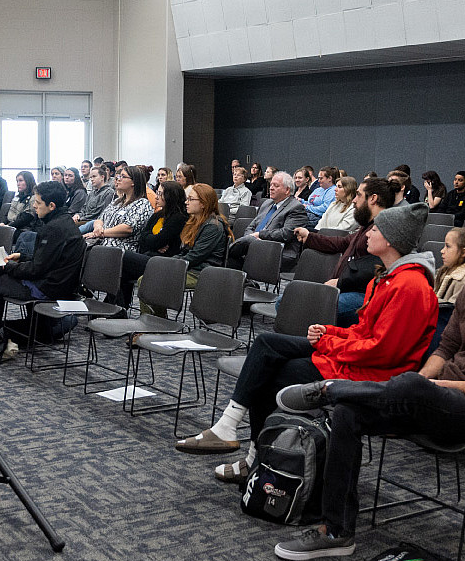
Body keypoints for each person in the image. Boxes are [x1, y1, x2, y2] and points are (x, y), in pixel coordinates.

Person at [269, 200, 465, 560]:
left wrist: (432, 388)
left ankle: (331, 388)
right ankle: (336, 531)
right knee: (348, 411)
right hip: (439, 397)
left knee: (404, 385)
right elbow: (447, 347)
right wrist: (423, 383)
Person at [175, 203, 437, 477]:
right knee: (266, 343)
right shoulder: (385, 279)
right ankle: (230, 431)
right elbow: (364, 333)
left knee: (273, 375)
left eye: (377, 229)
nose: (368, 234)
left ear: (392, 240)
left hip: (373, 374)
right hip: (355, 360)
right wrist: (330, 331)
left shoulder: (410, 286)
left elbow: (383, 352)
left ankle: (253, 458)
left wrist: (327, 343)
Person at [0, 181, 86, 367]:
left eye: (38, 202)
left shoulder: (53, 228)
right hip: (55, 282)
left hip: (49, 289)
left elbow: (37, 270)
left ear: (51, 206)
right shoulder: (62, 222)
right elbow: (48, 259)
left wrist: (7, 266)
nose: (34, 205)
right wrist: (22, 256)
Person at [295, 177, 393, 326]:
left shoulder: (383, 229)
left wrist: (340, 282)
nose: (354, 200)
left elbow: (376, 267)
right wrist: (310, 237)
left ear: (373, 199)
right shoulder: (368, 226)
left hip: (362, 296)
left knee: (295, 303)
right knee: (289, 299)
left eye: (359, 195)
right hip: (345, 289)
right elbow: (342, 242)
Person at [140, 184, 233, 316]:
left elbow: (194, 256)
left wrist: (167, 264)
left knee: (150, 280)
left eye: (190, 199)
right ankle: (157, 322)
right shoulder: (195, 222)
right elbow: (184, 252)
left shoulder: (212, 227)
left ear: (203, 203)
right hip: (190, 268)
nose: (186, 202)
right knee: (149, 278)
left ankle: (154, 325)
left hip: (202, 274)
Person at [116, 180, 188, 308]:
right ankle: (118, 307)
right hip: (150, 256)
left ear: (170, 197)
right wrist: (154, 241)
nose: (156, 196)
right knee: (122, 270)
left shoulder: (179, 218)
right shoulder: (159, 214)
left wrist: (153, 240)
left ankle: (117, 307)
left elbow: (155, 240)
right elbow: (143, 237)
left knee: (123, 257)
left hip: (164, 262)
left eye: (160, 194)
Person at [226, 171, 311, 271]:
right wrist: (252, 238)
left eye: (276, 186)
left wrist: (259, 235)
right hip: (254, 245)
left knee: (227, 254)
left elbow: (286, 234)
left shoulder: (296, 207)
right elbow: (251, 227)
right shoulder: (267, 203)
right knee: (230, 260)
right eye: (271, 185)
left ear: (287, 190)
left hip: (278, 251)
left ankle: (226, 252)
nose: (271, 188)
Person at [85, 165, 154, 253]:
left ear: (133, 182)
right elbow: (100, 219)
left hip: (121, 248)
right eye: (118, 176)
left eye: (123, 176)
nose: (118, 179)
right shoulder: (117, 201)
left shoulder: (143, 204)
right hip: (101, 242)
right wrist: (98, 228)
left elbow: (127, 228)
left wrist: (102, 233)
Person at [74, 164, 115, 232]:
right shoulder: (92, 193)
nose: (92, 179)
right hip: (83, 219)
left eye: (94, 176)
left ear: (102, 177)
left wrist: (83, 217)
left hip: (93, 222)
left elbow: (103, 214)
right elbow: (84, 208)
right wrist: (78, 215)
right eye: (90, 177)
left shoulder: (109, 192)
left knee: (70, 231)